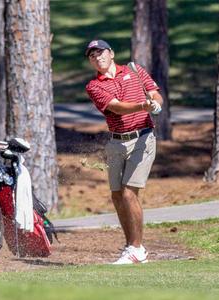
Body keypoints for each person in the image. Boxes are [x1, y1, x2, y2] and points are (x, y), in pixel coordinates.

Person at [84, 39, 163, 264]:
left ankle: (137, 248)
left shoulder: (134, 70)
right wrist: (142, 106)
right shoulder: (94, 86)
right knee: (117, 195)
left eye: (100, 53)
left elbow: (154, 93)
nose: (97, 58)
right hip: (116, 142)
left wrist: (155, 103)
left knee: (129, 193)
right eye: (92, 56)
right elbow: (116, 107)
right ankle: (131, 247)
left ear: (111, 53)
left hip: (143, 138)